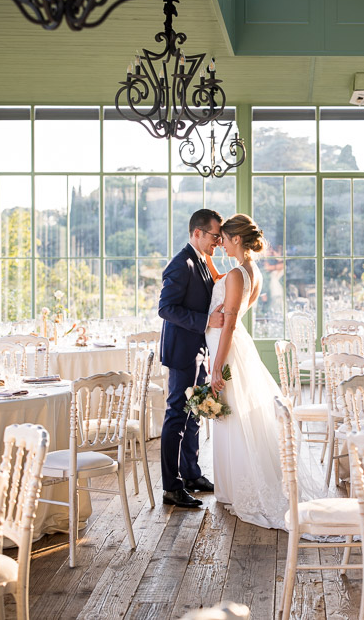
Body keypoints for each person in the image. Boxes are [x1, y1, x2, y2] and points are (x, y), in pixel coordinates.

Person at [206, 213, 323, 529]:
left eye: (225, 239)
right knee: (236, 415)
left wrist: (217, 366)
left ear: (237, 240)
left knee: (232, 416)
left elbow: (229, 321)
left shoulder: (235, 274)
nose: (221, 244)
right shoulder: (251, 272)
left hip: (227, 351)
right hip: (238, 346)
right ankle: (233, 486)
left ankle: (238, 488)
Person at [158, 209, 225, 509]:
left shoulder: (201, 261)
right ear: (197, 233)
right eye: (214, 236)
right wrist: (206, 321)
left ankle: (192, 474)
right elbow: (166, 308)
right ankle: (172, 487)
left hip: (198, 351)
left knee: (195, 413)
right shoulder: (180, 263)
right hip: (182, 352)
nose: (218, 242)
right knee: (177, 416)